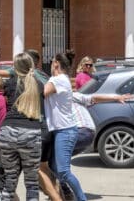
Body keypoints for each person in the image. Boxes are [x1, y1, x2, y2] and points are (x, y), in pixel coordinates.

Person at [0, 52, 43, 201]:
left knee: (9, 180)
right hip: (30, 132)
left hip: (7, 131)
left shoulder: (9, 83)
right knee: (31, 183)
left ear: (15, 66)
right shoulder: (38, 83)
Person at [44, 50, 87, 201]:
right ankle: (68, 194)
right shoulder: (60, 79)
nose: (50, 65)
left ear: (56, 64)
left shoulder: (59, 79)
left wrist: (38, 76)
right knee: (54, 167)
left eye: (52, 62)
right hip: (60, 130)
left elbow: (44, 91)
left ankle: (81, 198)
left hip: (65, 131)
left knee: (63, 171)